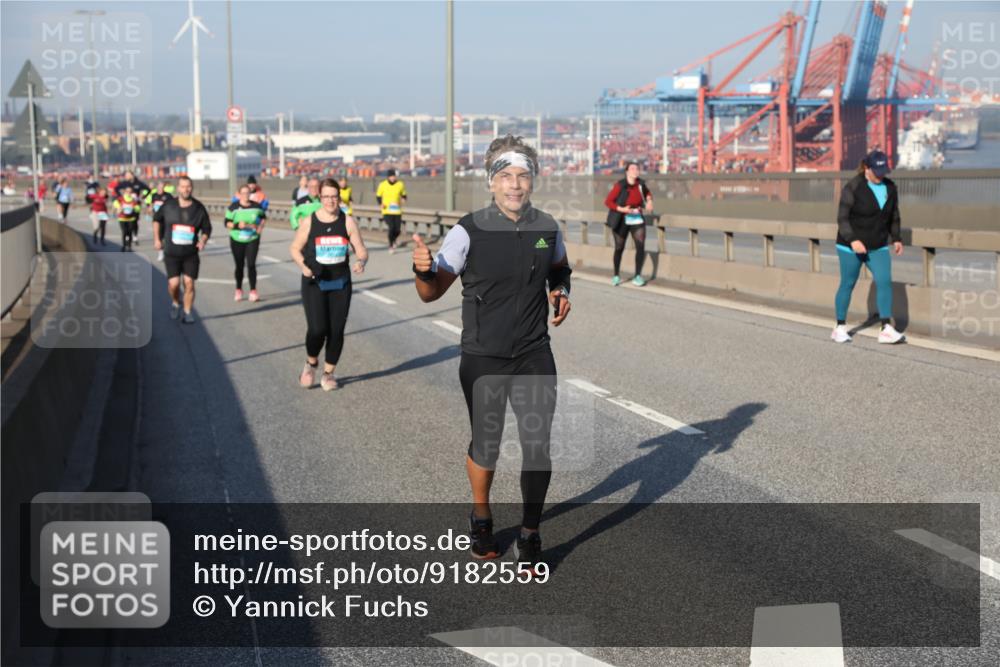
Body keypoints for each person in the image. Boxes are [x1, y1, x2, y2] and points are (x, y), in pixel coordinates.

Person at [412, 135, 572, 574]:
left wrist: (560, 291)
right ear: (491, 182)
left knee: (537, 445)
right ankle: (481, 517)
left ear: (533, 181)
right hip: (484, 356)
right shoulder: (469, 230)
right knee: (488, 444)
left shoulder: (547, 228)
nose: (515, 184)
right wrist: (422, 271)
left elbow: (559, 268)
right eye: (505, 176)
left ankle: (530, 535)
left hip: (534, 352)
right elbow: (431, 292)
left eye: (523, 176)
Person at [290, 178, 368, 391]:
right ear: (320, 197)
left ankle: (328, 374)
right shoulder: (310, 221)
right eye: (326, 196)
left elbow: (361, 249)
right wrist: (303, 266)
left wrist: (361, 261)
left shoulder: (347, 221)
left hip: (340, 283)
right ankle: (311, 362)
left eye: (334, 196)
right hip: (314, 281)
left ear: (339, 198)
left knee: (336, 330)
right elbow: (295, 248)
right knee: (317, 329)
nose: (330, 201)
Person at [832, 150, 905, 345]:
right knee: (848, 283)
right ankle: (839, 327)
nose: (881, 176)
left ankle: (885, 329)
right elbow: (842, 218)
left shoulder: (890, 187)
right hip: (850, 246)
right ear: (866, 168)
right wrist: (853, 240)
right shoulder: (853, 187)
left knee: (884, 281)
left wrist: (896, 238)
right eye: (877, 172)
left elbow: (894, 215)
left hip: (878, 245)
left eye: (883, 171)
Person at [153, 176, 212, 324]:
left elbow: (207, 228)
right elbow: (156, 220)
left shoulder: (198, 207)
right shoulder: (168, 205)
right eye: (183, 186)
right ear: (178, 188)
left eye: (188, 186)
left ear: (192, 188)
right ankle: (175, 303)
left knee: (189, 283)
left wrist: (203, 240)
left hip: (190, 253)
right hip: (171, 253)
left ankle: (187, 312)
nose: (186, 189)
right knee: (173, 285)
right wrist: (157, 239)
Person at [604, 162, 653, 286]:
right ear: (627, 172)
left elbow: (647, 193)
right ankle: (616, 275)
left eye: (637, 168)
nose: (635, 171)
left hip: (636, 218)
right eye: (632, 169)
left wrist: (649, 201)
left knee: (640, 246)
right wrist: (622, 209)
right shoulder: (620, 185)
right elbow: (608, 201)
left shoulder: (641, 184)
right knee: (619, 248)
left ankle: (637, 276)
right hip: (621, 218)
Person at [226, 184, 267, 302]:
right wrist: (237, 225)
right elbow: (226, 222)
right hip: (237, 239)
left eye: (248, 193)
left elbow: (263, 218)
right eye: (243, 193)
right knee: (239, 265)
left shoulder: (257, 206)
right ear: (239, 195)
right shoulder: (233, 207)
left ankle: (253, 291)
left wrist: (260, 227)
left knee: (251, 264)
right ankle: (238, 289)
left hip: (252, 238)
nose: (245, 195)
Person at [376, 168, 407, 253]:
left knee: (398, 230)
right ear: (388, 177)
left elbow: (404, 195)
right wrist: (380, 204)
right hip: (386, 211)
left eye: (394, 176)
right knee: (391, 227)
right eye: (391, 176)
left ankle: (393, 240)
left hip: (397, 211)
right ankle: (391, 245)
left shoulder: (400, 184)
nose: (393, 178)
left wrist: (403, 199)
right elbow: (378, 196)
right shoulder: (382, 185)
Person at [112, 185, 141, 251]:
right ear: (125, 192)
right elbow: (115, 203)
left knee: (130, 232)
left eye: (130, 192)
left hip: (131, 218)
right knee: (124, 231)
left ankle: (129, 246)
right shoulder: (121, 198)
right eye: (127, 191)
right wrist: (119, 207)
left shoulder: (133, 199)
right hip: (122, 218)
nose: (129, 193)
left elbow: (138, 207)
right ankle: (124, 245)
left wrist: (135, 208)